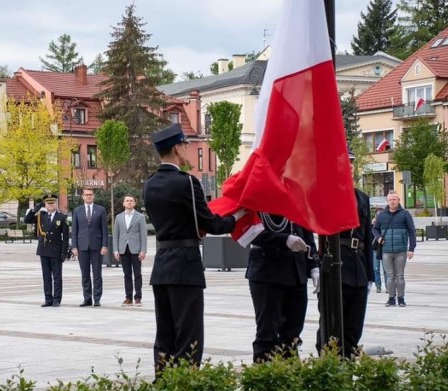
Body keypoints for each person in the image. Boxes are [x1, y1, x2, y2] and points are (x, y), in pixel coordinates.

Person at [143, 123, 239, 375]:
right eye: (185, 144)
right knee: (189, 336)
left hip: (162, 265)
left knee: (164, 334)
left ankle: (163, 384)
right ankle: (186, 388)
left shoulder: (149, 184)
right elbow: (208, 222)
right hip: (185, 266)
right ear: (176, 147)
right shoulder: (186, 182)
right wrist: (237, 217)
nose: (187, 149)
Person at [316, 150, 374, 358]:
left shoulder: (362, 198)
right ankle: (329, 368)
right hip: (336, 266)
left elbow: (367, 238)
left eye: (351, 164)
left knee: (354, 327)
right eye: (344, 163)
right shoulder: (327, 194)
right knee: (330, 326)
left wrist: (370, 275)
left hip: (358, 267)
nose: (349, 167)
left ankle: (347, 370)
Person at [246, 213, 318, 362]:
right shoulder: (256, 198)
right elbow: (249, 232)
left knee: (292, 335)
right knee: (267, 334)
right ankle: (263, 380)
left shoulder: (296, 197)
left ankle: (290, 378)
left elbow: (306, 234)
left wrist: (314, 265)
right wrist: (283, 239)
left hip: (296, 271)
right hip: (266, 272)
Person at [24, 194, 69, 307]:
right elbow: (27, 220)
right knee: (46, 276)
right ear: (45, 204)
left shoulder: (61, 217)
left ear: (56, 203)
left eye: (52, 203)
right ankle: (48, 299)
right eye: (48, 203)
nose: (50, 205)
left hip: (56, 250)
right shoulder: (41, 216)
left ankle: (57, 299)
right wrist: (34, 209)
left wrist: (64, 252)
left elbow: (66, 237)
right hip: (44, 250)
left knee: (57, 277)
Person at [373, 191, 416, 307]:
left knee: (400, 276)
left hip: (401, 251)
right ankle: (391, 298)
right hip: (386, 250)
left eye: (394, 199)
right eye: (390, 200)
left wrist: (411, 248)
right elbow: (375, 229)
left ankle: (401, 298)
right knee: (390, 275)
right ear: (387, 201)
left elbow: (412, 231)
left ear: (398, 201)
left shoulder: (405, 214)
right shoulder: (381, 215)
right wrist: (378, 237)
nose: (392, 201)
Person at [71, 188, 108, 307]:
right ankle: (87, 298)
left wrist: (104, 245)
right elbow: (75, 230)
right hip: (82, 246)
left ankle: (97, 298)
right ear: (82, 196)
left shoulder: (100, 210)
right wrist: (74, 246)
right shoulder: (77, 211)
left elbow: (104, 229)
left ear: (93, 196)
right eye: (86, 195)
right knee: (85, 274)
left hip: (97, 246)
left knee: (97, 273)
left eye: (90, 195)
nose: (88, 196)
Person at [113, 195, 148, 307]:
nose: (129, 202)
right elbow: (116, 235)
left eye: (131, 201)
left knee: (137, 274)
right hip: (123, 249)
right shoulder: (118, 217)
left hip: (136, 249)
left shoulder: (140, 217)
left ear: (134, 203)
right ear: (123, 203)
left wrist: (143, 250)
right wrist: (115, 250)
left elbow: (144, 235)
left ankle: (138, 297)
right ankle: (128, 298)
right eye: (127, 201)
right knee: (127, 274)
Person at [372, 208, 387, 293]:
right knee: (376, 268)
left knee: (386, 269)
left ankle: (388, 286)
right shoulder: (373, 225)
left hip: (384, 249)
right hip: (375, 249)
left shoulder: (385, 223)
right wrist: (371, 225)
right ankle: (378, 286)